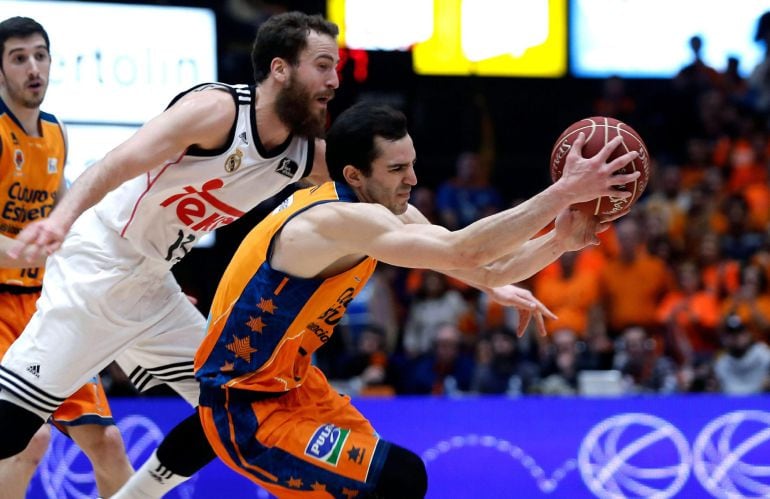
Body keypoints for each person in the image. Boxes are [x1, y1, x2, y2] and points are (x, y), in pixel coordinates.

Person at [194, 101, 639, 497]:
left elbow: (483, 266)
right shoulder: (330, 221)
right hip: (247, 408)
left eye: (411, 164)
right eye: (396, 170)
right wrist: (564, 192)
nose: (413, 179)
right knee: (398, 479)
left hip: (299, 388)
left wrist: (558, 241)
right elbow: (468, 251)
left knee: (381, 482)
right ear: (354, 176)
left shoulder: (390, 212)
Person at [0, 11, 340, 498]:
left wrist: (459, 253)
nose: (334, 80)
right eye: (323, 65)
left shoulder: (305, 153)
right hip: (96, 266)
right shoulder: (219, 111)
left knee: (227, 404)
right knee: (14, 431)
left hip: (151, 285)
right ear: (281, 69)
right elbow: (117, 161)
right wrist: (59, 220)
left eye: (336, 67)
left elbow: (378, 199)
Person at [0, 16, 134, 497]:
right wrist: (23, 251)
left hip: (46, 307)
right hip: (0, 306)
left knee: (110, 444)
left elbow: (72, 215)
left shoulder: (55, 133)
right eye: (18, 58)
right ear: (0, 70)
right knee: (25, 439)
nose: (33, 67)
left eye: (40, 55)